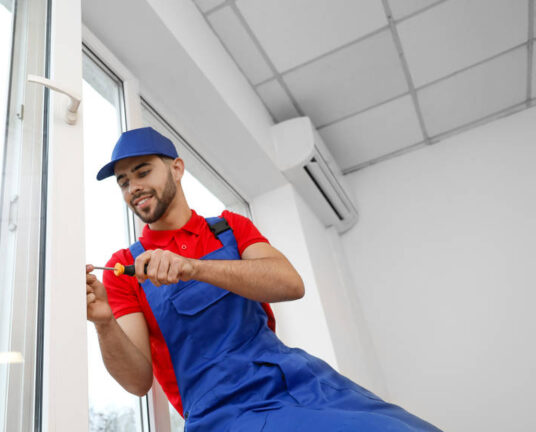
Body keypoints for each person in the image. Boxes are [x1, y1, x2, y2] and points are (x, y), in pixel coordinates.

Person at [85, 127, 441, 431]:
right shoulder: (125, 268)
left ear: (176, 168)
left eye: (142, 172)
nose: (133, 187)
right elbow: (136, 381)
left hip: (302, 380)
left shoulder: (231, 228)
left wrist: (193, 267)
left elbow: (289, 284)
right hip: (226, 413)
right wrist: (104, 324)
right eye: (124, 182)